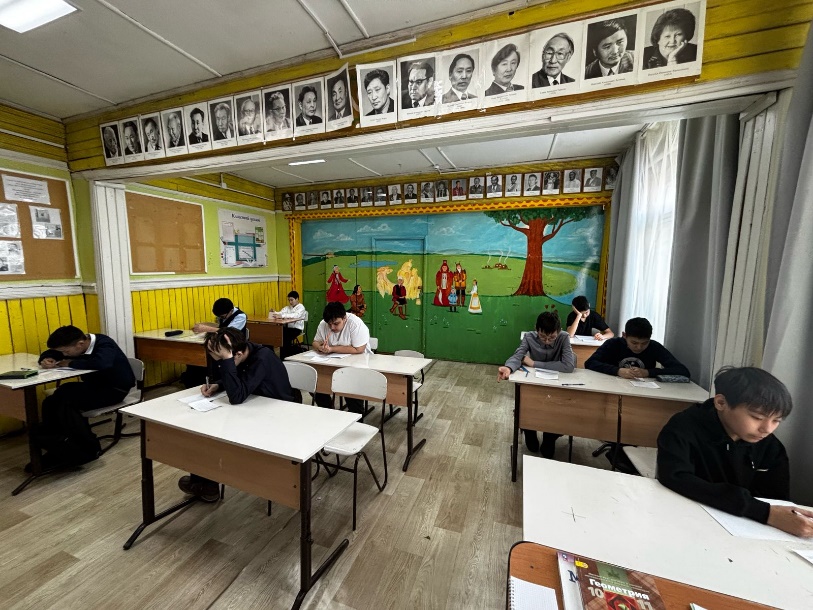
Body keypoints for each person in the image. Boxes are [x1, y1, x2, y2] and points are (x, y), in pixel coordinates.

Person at [657, 367, 813, 538]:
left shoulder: (770, 446)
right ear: (721, 403)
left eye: (776, 420)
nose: (767, 429)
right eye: (757, 417)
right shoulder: (682, 428)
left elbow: (775, 499)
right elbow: (675, 477)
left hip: (744, 527)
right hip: (684, 519)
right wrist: (764, 513)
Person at [178, 328, 294, 502]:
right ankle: (203, 482)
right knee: (203, 428)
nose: (220, 365)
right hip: (253, 408)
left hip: (278, 415)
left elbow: (237, 396)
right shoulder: (243, 354)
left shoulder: (262, 358)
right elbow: (241, 378)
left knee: (216, 432)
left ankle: (208, 484)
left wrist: (227, 361)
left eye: (222, 360)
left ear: (237, 354)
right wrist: (218, 384)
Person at [36, 325, 135, 469]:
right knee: (52, 401)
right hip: (94, 386)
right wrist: (46, 358)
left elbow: (102, 363)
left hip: (115, 390)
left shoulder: (104, 344)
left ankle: (85, 450)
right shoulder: (75, 344)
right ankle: (59, 446)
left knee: (66, 402)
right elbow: (52, 351)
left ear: (80, 344)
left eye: (66, 351)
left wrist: (71, 363)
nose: (64, 354)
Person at [497, 311, 576, 457]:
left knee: (557, 416)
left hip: (556, 384)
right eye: (542, 336)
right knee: (527, 410)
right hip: (534, 382)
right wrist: (508, 367)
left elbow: (568, 366)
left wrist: (534, 364)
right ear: (536, 329)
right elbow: (518, 355)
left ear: (559, 331)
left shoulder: (564, 337)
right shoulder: (529, 337)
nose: (547, 341)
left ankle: (550, 437)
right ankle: (529, 429)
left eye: (552, 337)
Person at [311, 302, 371, 412]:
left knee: (350, 389)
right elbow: (315, 342)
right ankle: (329, 411)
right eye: (329, 324)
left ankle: (356, 416)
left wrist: (331, 349)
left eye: (336, 323)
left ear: (344, 318)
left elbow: (359, 349)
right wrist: (320, 347)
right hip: (334, 363)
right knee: (316, 384)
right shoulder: (323, 324)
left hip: (357, 364)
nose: (332, 327)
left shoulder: (355, 323)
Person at [585, 317, 689, 379]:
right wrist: (617, 371)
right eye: (634, 342)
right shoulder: (613, 344)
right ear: (624, 335)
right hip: (611, 386)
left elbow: (683, 371)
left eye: (644, 343)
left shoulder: (654, 346)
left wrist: (648, 372)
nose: (639, 347)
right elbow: (590, 363)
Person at [269, 290, 307, 359]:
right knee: (276, 333)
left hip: (296, 329)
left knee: (285, 337)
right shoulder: (287, 308)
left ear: (297, 299)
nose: (290, 302)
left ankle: (285, 356)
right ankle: (276, 355)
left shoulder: (301, 308)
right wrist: (274, 312)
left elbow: (295, 315)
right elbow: (280, 313)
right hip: (287, 328)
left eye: (292, 300)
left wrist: (282, 316)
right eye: (289, 300)